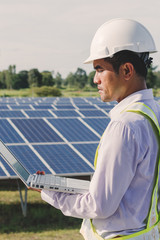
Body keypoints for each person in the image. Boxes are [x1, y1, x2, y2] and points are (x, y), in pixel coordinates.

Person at [33, 19, 160, 239]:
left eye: (99, 69)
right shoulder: (154, 113)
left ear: (127, 70)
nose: (95, 79)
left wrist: (50, 193)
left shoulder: (125, 127)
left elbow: (99, 205)